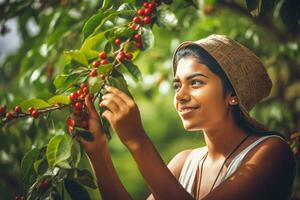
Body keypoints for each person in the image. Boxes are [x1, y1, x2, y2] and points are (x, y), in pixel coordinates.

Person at [79, 34, 296, 200]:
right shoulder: (184, 162)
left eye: (196, 82)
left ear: (232, 95)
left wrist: (138, 141)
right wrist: (98, 151)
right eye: (177, 85)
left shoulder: (271, 152)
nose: (180, 96)